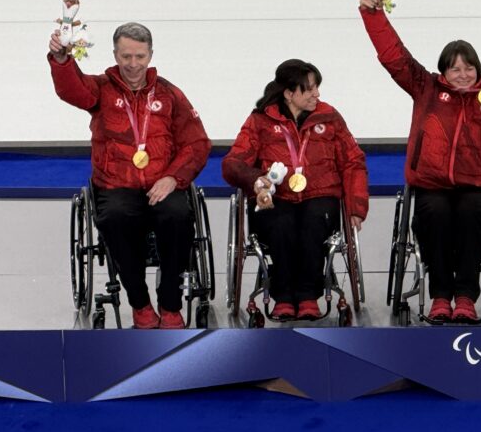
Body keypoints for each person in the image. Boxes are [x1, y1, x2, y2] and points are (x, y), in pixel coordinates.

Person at [359, 0, 481, 323]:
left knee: (471, 214)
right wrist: (373, 14)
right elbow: (393, 56)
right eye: (454, 69)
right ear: (443, 73)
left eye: (468, 68)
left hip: (478, 186)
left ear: (478, 69)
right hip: (432, 185)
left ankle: (465, 297)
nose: (462, 74)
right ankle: (440, 296)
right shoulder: (426, 88)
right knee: (436, 215)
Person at [49, 22, 211, 329]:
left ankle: (171, 303)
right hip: (116, 184)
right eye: (126, 56)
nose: (133, 64)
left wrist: (173, 178)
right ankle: (140, 303)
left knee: (178, 216)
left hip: (163, 183)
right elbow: (72, 89)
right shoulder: (100, 89)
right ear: (115, 55)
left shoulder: (170, 94)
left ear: (150, 55)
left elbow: (197, 143)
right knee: (115, 218)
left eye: (140, 56)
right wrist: (61, 60)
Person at [222, 60, 369, 320]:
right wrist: (257, 179)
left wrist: (356, 206)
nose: (317, 94)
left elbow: (353, 162)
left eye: (317, 87)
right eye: (309, 89)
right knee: (282, 224)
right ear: (289, 93)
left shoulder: (330, 117)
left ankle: (308, 295)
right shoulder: (260, 121)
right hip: (277, 197)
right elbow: (233, 164)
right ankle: (283, 296)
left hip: (320, 195)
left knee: (313, 222)